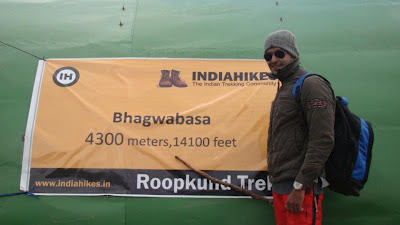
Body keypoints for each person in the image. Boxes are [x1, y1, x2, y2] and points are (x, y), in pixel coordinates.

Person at [264, 30, 336, 225]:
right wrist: (280, 190)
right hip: (283, 187)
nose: (273, 59)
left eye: (279, 53)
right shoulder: (285, 88)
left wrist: (299, 187)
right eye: (268, 55)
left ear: (293, 54)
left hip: (301, 188)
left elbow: (323, 139)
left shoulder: (311, 84)